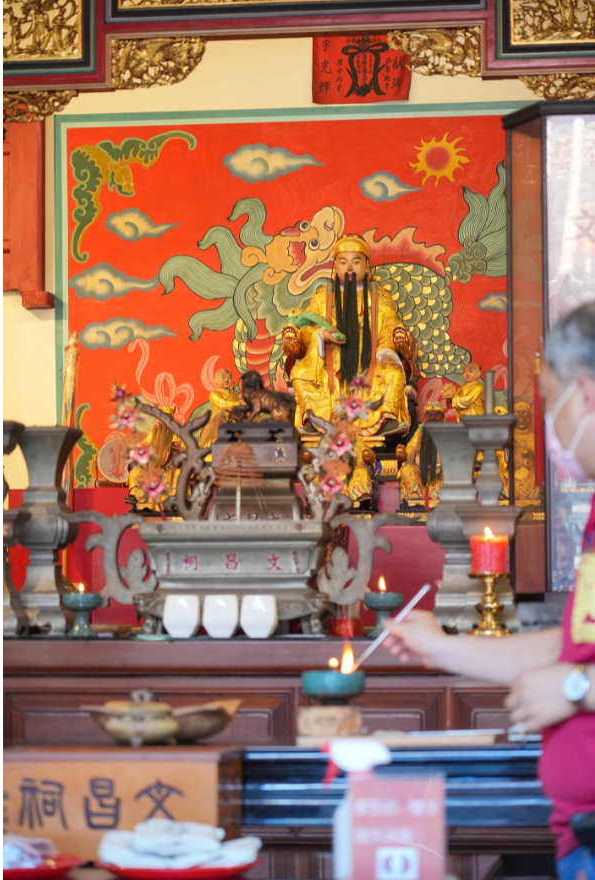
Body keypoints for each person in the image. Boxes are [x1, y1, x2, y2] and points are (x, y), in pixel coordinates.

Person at [384, 301, 595, 880]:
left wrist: (578, 690)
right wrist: (440, 647)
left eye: (551, 402)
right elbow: (575, 648)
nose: (550, 426)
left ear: (586, 393)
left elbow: (576, 671)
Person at [281, 234, 416, 437]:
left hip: (369, 362)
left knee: (394, 374)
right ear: (335, 265)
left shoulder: (380, 296)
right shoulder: (321, 297)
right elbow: (305, 329)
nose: (350, 268)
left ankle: (385, 420)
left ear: (367, 264)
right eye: (343, 262)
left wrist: (386, 352)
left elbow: (390, 327)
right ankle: (313, 421)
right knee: (300, 372)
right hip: (330, 364)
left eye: (356, 262)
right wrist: (321, 334)